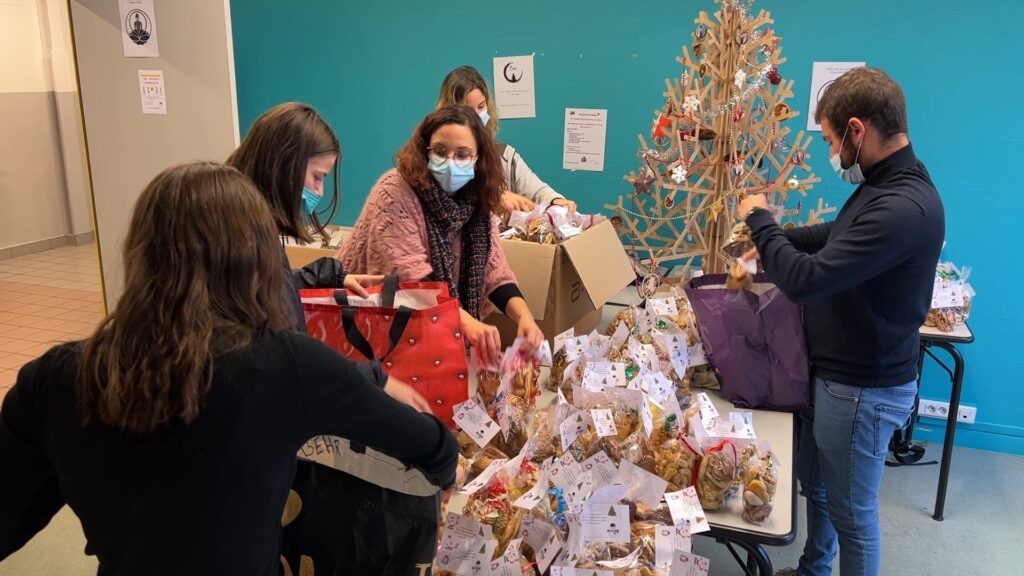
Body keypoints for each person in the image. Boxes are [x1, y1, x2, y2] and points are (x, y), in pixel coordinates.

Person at [0, 162, 458, 574]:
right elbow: (434, 446)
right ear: (257, 260)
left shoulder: (55, 379)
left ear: (140, 254)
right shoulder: (290, 366)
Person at [737, 68, 944, 576]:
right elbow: (836, 233)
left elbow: (806, 281)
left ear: (857, 130)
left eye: (831, 140)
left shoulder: (903, 206)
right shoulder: (885, 183)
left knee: (854, 517)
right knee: (820, 489)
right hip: (836, 379)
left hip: (861, 392)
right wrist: (774, 240)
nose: (832, 154)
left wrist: (761, 222)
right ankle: (814, 569)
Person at [339, 104, 545, 368]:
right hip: (366, 328)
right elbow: (412, 283)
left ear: (478, 158)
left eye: (462, 154)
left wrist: (524, 317)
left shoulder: (477, 197)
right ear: (424, 150)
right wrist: (468, 323)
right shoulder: (394, 192)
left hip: (430, 329)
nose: (450, 161)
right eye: (439, 151)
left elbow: (495, 272)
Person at [437, 65, 578, 214]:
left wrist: (556, 201)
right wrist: (495, 196)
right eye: (468, 110)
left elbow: (535, 188)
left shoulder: (504, 155)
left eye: (481, 106)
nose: (476, 116)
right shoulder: (439, 159)